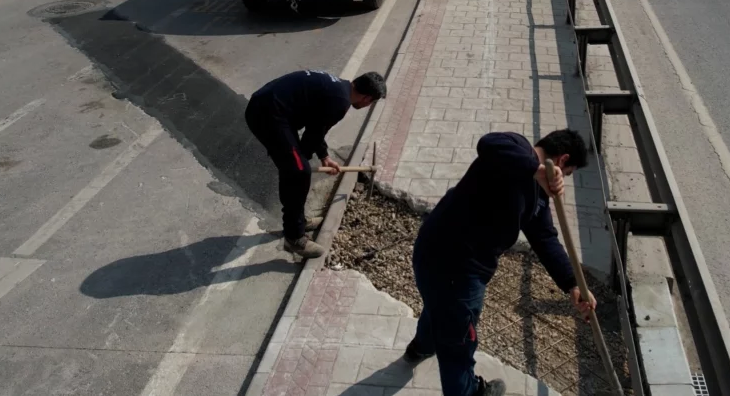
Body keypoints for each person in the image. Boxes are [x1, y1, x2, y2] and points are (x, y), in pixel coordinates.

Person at [405, 130, 596, 396]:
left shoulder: (538, 197)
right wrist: (538, 169)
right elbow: (488, 143)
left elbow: (545, 239)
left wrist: (572, 284)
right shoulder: (515, 150)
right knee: (458, 341)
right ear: (562, 160)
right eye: (569, 172)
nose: (564, 179)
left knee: (440, 305)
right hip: (456, 266)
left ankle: (421, 346)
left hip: (440, 256)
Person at [245, 70, 387, 258]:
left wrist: (324, 156)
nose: (368, 106)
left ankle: (298, 221)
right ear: (367, 98)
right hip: (267, 115)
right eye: (372, 103)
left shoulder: (339, 88)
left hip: (273, 109)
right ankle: (294, 237)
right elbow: (311, 136)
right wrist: (298, 167)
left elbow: (316, 126)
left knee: (296, 170)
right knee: (299, 173)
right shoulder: (341, 102)